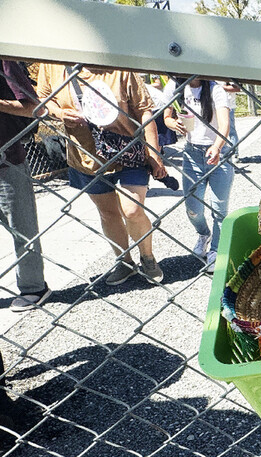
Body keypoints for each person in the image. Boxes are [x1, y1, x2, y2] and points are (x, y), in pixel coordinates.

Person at [36, 64, 166, 284]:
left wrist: (153, 153)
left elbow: (144, 109)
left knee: (132, 209)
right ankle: (124, 262)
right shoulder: (52, 64)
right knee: (107, 213)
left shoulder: (117, 63)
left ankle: (147, 256)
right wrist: (59, 113)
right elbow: (43, 99)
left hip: (128, 151)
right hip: (85, 155)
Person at [163, 78, 233, 273]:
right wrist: (172, 123)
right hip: (192, 153)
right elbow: (166, 116)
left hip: (220, 153)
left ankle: (215, 251)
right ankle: (204, 234)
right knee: (192, 207)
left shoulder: (214, 89)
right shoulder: (175, 86)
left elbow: (225, 124)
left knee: (219, 208)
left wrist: (217, 147)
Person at [0, 59, 50, 311]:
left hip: (6, 160)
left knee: (21, 226)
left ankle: (33, 287)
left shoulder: (4, 58)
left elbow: (34, 107)